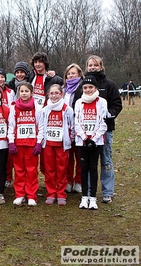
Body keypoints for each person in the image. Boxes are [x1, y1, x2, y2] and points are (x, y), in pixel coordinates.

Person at [74, 55, 122, 204]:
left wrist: (109, 115)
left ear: (101, 66)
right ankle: (89, 191)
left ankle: (107, 191)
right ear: (87, 67)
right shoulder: (82, 85)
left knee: (106, 160)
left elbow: (117, 104)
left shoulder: (109, 84)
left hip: (104, 130)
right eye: (90, 65)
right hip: (85, 134)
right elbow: (76, 105)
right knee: (89, 163)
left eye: (96, 65)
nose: (93, 67)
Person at [74, 76, 108, 210]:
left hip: (96, 141)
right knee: (83, 167)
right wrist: (85, 138)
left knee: (93, 168)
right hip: (81, 141)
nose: (88, 90)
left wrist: (93, 139)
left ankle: (93, 198)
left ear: (95, 88)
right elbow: (77, 122)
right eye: (85, 88)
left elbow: (103, 122)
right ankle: (84, 197)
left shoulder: (102, 102)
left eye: (91, 87)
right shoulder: (78, 102)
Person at [8, 82, 44, 206]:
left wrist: (39, 142)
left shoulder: (38, 107)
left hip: (32, 144)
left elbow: (41, 126)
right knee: (19, 170)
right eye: (21, 91)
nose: (24, 94)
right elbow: (11, 125)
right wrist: (11, 142)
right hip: (18, 144)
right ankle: (20, 194)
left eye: (26, 91)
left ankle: (31, 195)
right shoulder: (14, 107)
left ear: (32, 93)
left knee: (32, 170)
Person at [42, 84, 74, 206]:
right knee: (49, 169)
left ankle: (61, 193)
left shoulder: (67, 109)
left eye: (57, 93)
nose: (54, 95)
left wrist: (70, 140)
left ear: (61, 94)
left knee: (61, 169)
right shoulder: (45, 110)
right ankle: (51, 193)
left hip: (62, 145)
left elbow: (72, 126)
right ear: (48, 95)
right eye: (51, 93)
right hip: (48, 144)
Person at [62, 63, 84, 193]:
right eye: (68, 74)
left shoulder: (83, 88)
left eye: (73, 73)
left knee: (80, 156)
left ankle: (79, 181)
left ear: (79, 74)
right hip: (65, 127)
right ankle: (68, 180)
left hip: (80, 126)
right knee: (67, 157)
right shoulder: (63, 89)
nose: (70, 76)